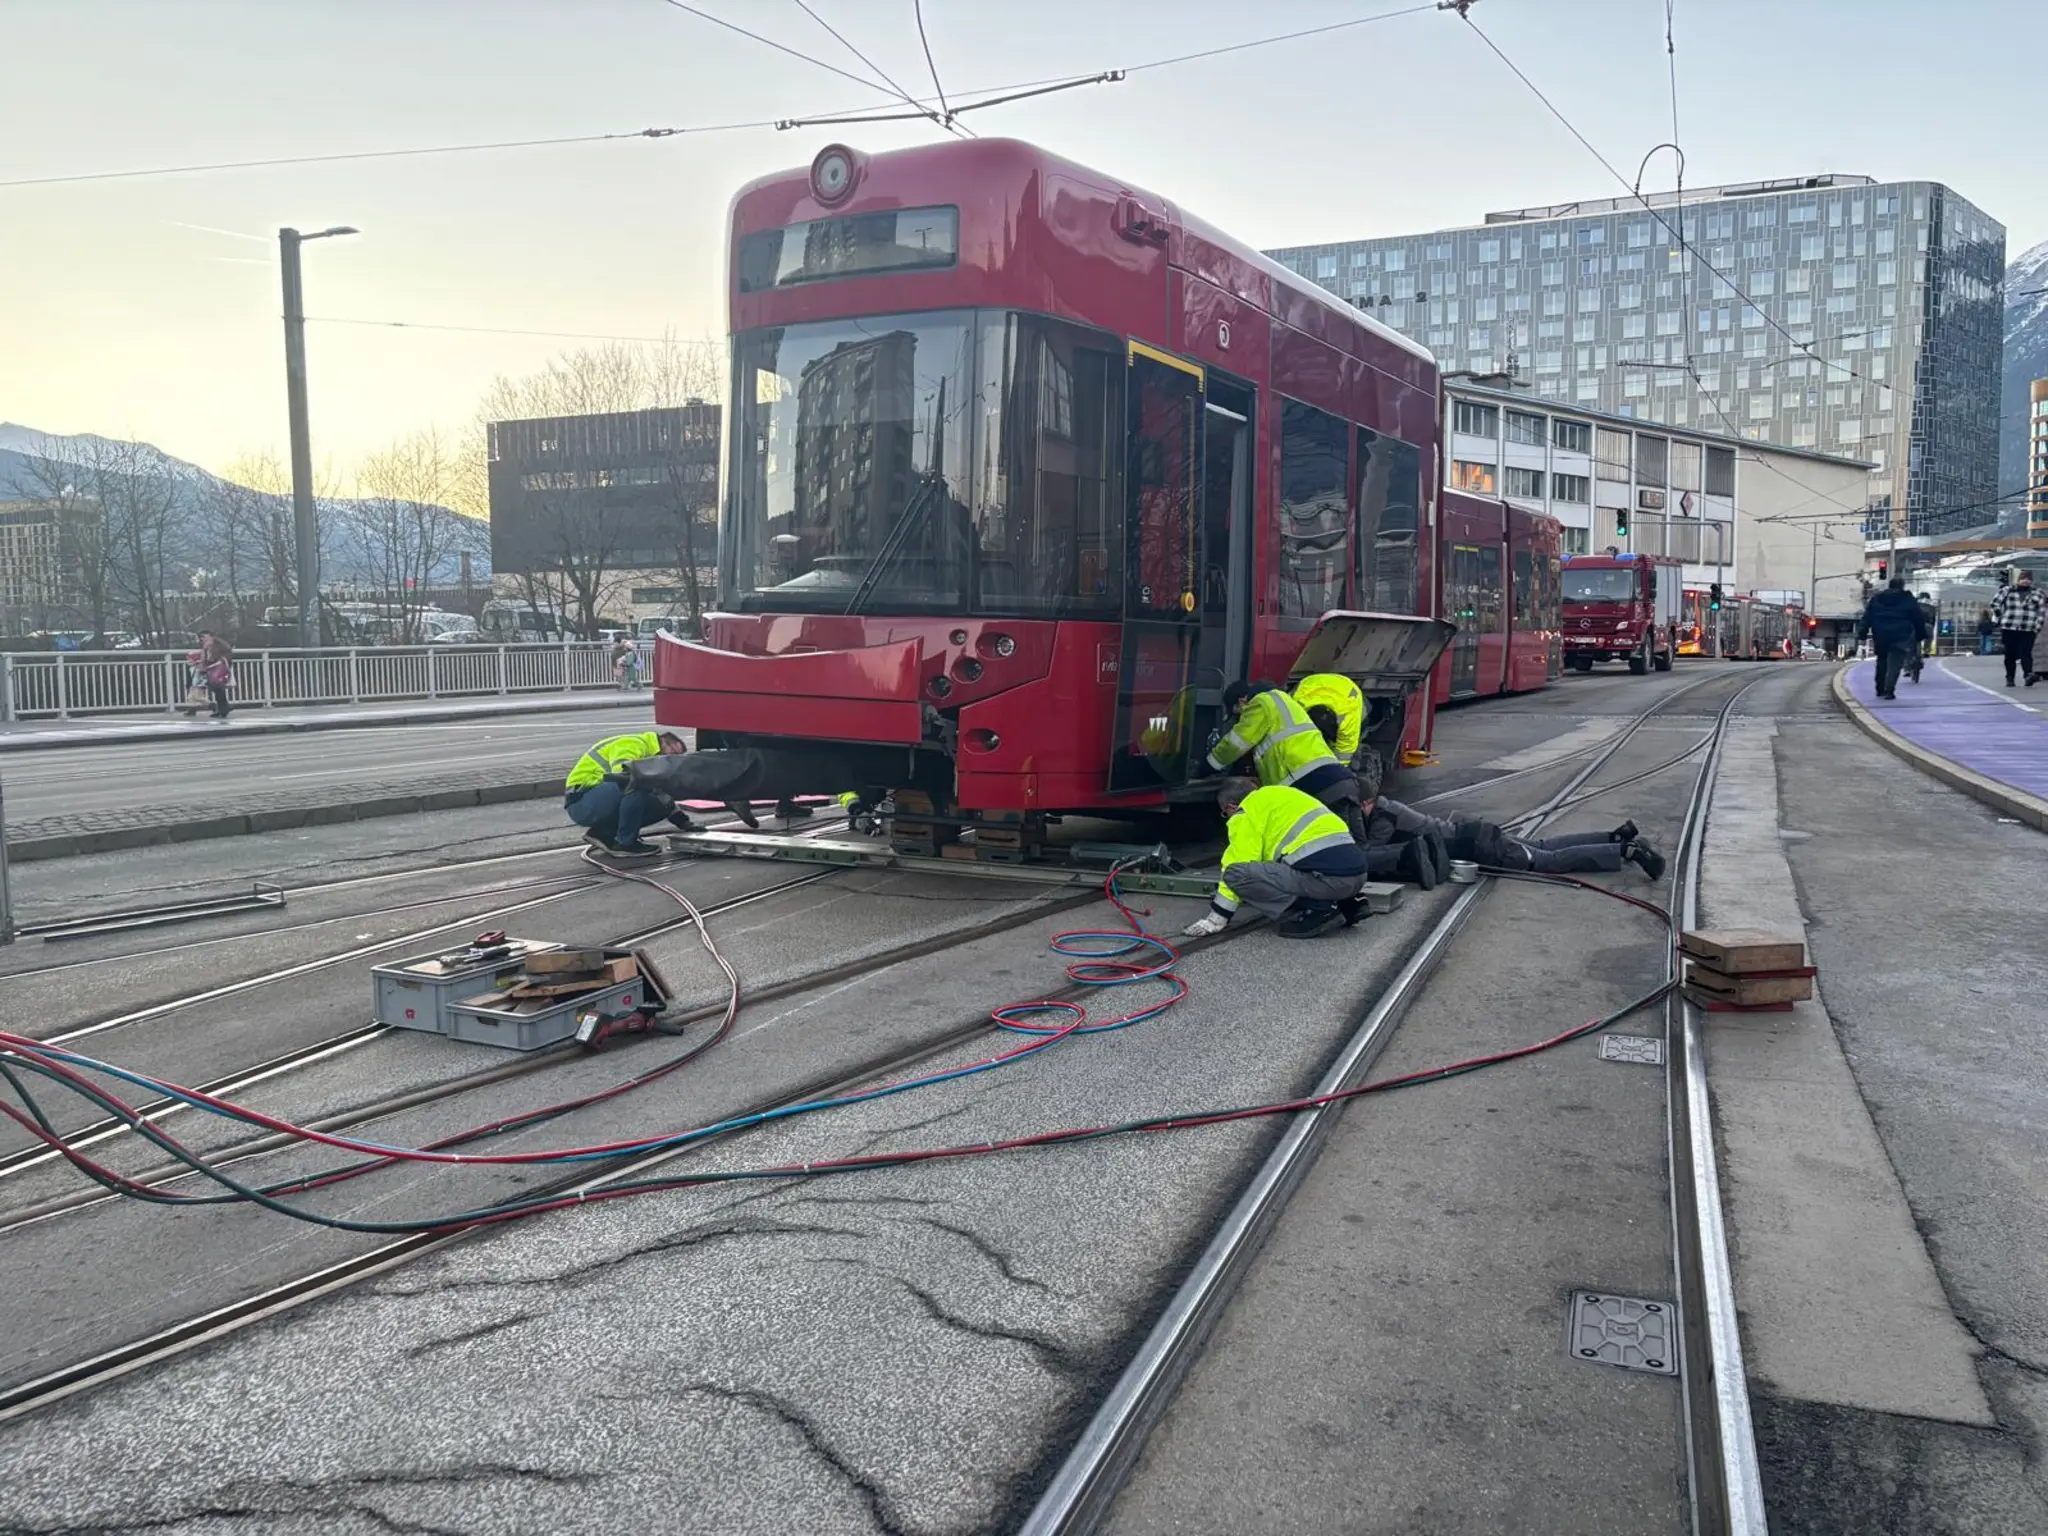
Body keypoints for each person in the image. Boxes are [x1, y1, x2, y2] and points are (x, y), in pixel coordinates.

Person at [1181, 778, 1369, 940]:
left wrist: (1217, 918)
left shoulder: (1246, 811)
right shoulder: (1281, 794)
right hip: (1358, 876)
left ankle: (1319, 908)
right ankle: (1349, 903)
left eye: (1225, 813)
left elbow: (1238, 863)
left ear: (1231, 806)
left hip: (1330, 881)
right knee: (1286, 864)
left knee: (1235, 874)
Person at [1360, 786, 1666, 883]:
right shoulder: (1389, 806)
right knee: (1543, 845)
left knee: (1548, 861)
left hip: (1479, 845)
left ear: (1366, 802)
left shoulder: (1383, 817)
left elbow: (1368, 854)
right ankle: (1613, 838)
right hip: (1475, 832)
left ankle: (1629, 852)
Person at [1204, 680, 1366, 840]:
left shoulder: (1261, 703)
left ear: (1242, 701)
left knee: (1327, 845)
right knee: (1355, 847)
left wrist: (1211, 764)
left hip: (1315, 787)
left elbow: (1237, 741)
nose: (1239, 719)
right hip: (1340, 781)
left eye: (1237, 713)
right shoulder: (1286, 702)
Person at [563, 730, 690, 856]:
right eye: (673, 755)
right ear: (663, 743)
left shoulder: (651, 757)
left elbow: (661, 797)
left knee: (660, 805)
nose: (673, 762)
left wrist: (684, 822)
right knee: (636, 784)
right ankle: (625, 844)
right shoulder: (634, 744)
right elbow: (624, 776)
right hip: (581, 801)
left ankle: (604, 833)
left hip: (597, 799)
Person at [1856, 577, 1932, 700]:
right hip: (1900, 634)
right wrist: (1920, 635)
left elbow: (1867, 618)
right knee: (1895, 663)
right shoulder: (1907, 599)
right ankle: (1889, 690)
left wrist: (1862, 635)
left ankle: (1879, 689)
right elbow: (1917, 618)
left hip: (1880, 634)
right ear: (1902, 586)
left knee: (1882, 661)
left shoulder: (1877, 598)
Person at [1991, 571, 2047, 686]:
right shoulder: (2007, 590)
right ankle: (2010, 677)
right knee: (2010, 653)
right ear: (2018, 580)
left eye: (2028, 579)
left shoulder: (2038, 593)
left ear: (2031, 581)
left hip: (2028, 627)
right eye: (2023, 578)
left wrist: (2037, 627)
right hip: (2009, 627)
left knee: (2026, 652)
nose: (2026, 581)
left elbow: (2041, 611)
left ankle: (2028, 675)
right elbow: (1994, 603)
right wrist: (2000, 616)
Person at [196, 630, 234, 719]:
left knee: (218, 687)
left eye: (204, 636)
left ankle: (223, 709)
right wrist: (203, 666)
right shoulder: (206, 646)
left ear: (211, 636)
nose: (202, 639)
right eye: (201, 637)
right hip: (211, 668)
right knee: (215, 688)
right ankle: (223, 707)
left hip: (219, 666)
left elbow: (227, 653)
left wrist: (223, 662)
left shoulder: (220, 644)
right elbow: (205, 658)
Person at [1907, 591, 1938, 683]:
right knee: (1929, 636)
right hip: (1927, 626)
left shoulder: (1913, 604)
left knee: (1909, 646)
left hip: (1913, 627)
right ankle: (1926, 650)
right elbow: (1933, 621)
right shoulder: (1932, 607)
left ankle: (1907, 667)